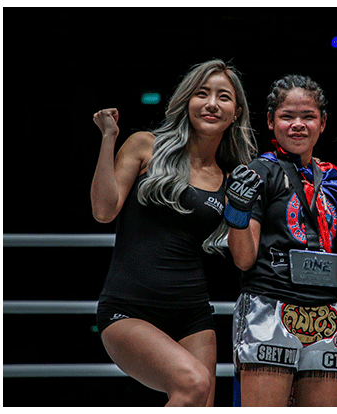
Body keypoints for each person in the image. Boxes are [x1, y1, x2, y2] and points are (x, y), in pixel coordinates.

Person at [90, 59, 256, 406]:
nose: (212, 103)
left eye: (223, 97)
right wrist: (108, 138)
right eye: (202, 93)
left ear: (236, 113)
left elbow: (243, 257)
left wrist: (242, 209)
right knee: (194, 384)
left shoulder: (230, 179)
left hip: (192, 313)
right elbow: (104, 211)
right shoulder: (144, 145)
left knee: (202, 401)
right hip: (127, 308)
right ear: (187, 100)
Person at [225, 74, 337, 407]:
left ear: (322, 123)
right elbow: (243, 259)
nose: (298, 124)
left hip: (330, 315)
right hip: (270, 308)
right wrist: (236, 213)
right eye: (287, 116)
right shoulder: (259, 173)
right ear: (270, 121)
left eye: (308, 116)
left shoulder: (336, 182)